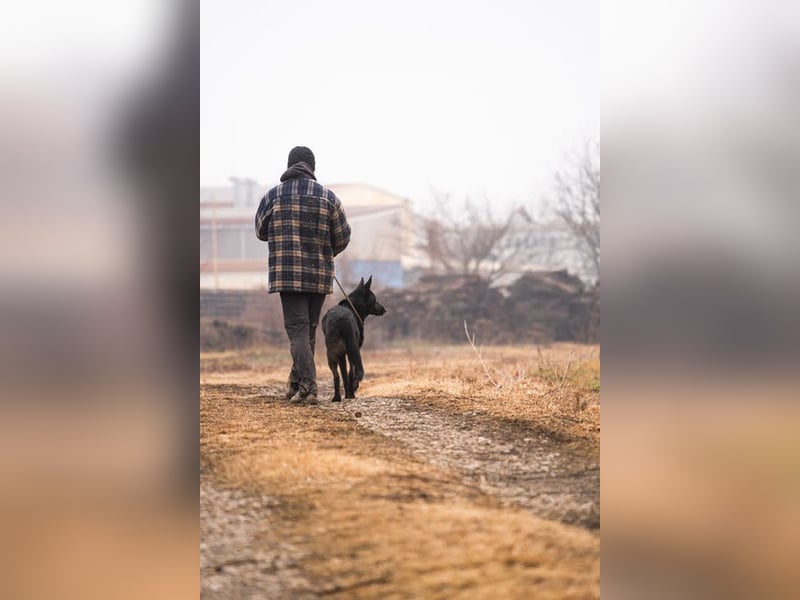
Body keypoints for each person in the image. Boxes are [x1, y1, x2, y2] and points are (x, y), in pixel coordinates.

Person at [255, 146, 351, 404]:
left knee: (297, 330)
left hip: (287, 274)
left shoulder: (272, 197)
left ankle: (308, 386)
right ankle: (295, 384)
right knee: (307, 330)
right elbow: (342, 237)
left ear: (289, 166)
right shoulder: (329, 198)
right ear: (312, 167)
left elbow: (260, 232)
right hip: (319, 275)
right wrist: (325, 251)